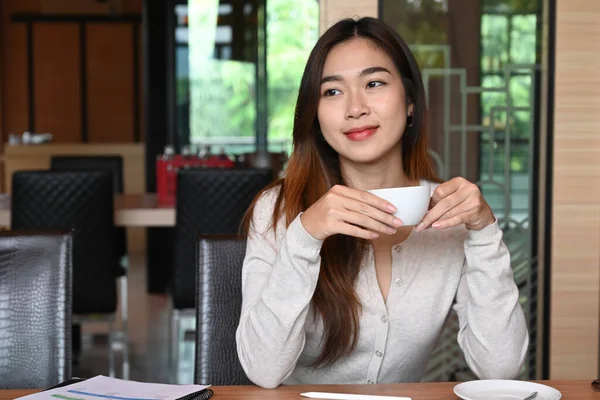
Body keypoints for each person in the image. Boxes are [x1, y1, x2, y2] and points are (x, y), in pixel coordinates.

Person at [235, 16, 528, 388]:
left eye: (374, 83)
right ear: (315, 116)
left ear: (409, 103)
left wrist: (484, 231)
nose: (355, 107)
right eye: (332, 92)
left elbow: (501, 369)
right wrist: (305, 236)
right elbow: (262, 370)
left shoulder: (448, 213)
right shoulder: (279, 209)